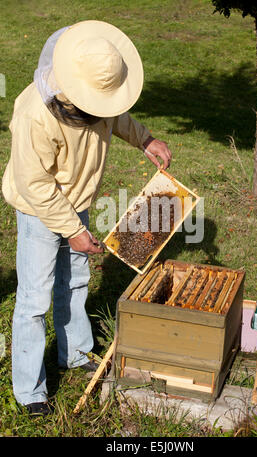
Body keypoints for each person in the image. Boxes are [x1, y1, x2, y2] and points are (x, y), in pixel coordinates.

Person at [2, 20, 172, 417]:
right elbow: (36, 185)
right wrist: (75, 231)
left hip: (77, 201)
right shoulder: (34, 114)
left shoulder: (99, 99)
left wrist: (145, 138)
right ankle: (29, 390)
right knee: (33, 298)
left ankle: (76, 353)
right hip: (39, 208)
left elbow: (116, 116)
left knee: (76, 278)